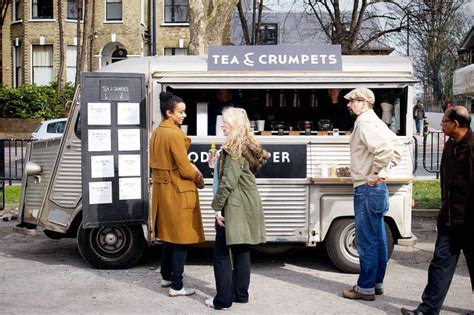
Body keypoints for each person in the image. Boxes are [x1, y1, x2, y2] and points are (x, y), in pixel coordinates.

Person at [401, 105, 474, 315]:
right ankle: (428, 310)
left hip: (469, 222)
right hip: (448, 220)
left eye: (444, 122)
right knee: (439, 265)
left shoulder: (472, 147)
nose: (440, 125)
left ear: (456, 124)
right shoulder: (451, 144)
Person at [205, 107, 269, 310]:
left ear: (234, 124)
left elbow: (228, 183)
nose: (222, 124)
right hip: (246, 203)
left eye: (225, 121)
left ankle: (223, 300)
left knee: (221, 254)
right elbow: (237, 175)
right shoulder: (246, 146)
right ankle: (241, 295)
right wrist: (214, 166)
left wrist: (216, 208)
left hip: (233, 205)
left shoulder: (232, 149)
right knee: (242, 249)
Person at [342, 87, 402, 301]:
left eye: (352, 101)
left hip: (367, 189)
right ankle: (376, 283)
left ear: (363, 102)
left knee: (366, 240)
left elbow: (385, 149)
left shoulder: (365, 122)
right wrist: (381, 172)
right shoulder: (376, 121)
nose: (349, 104)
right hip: (376, 188)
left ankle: (364, 288)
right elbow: (396, 149)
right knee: (378, 239)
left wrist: (374, 172)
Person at [149, 91, 205, 297]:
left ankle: (166, 276)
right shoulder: (174, 134)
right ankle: (177, 286)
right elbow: (185, 168)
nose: (184, 116)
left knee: (170, 238)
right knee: (180, 239)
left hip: (164, 192)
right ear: (169, 112)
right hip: (178, 191)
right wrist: (198, 176)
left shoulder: (158, 131)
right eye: (180, 112)